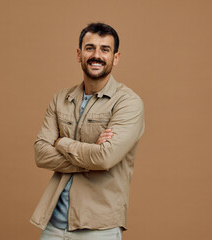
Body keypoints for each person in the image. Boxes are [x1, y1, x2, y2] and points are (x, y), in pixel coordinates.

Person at [30, 22, 145, 240]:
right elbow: (40, 154)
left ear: (116, 57)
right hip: (53, 225)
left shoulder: (128, 103)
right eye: (90, 47)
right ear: (79, 54)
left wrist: (61, 143)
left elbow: (105, 158)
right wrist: (92, 154)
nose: (96, 55)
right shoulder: (61, 98)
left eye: (105, 49)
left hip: (99, 228)